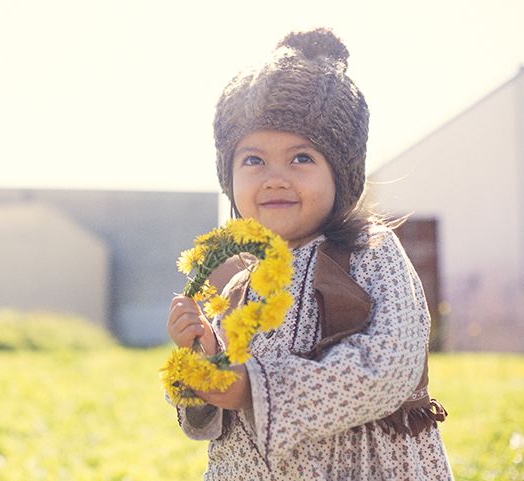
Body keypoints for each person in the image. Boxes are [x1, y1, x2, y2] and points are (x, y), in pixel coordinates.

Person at [166, 28, 453, 480]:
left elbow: (390, 362)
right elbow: (219, 410)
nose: (275, 177)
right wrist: (203, 361)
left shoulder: (368, 253)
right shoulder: (240, 286)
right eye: (253, 160)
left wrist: (257, 389)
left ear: (340, 175)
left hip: (361, 467)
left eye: (301, 158)